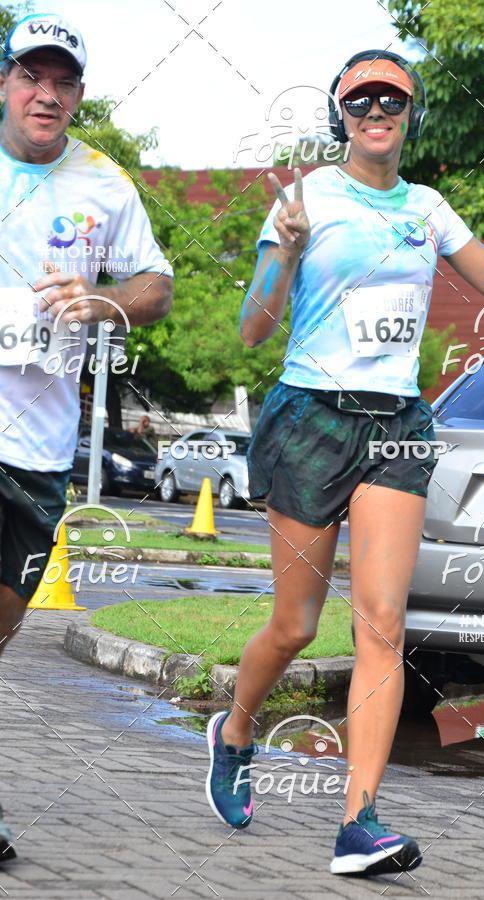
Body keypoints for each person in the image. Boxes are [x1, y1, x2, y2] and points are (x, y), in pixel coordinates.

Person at [205, 50, 484, 877]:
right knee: (295, 626)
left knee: (383, 630)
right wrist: (282, 252)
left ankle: (359, 823)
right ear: (340, 118)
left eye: (392, 99)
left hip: (395, 424)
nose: (377, 112)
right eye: (361, 102)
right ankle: (235, 730)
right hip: (309, 416)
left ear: (410, 114)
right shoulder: (306, 198)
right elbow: (252, 328)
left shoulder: (427, 207)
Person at [0, 13, 173, 862]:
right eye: (32, 76)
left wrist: (105, 302)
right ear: (5, 83)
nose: (47, 94)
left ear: (78, 95)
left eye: (63, 82)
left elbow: (157, 284)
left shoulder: (105, 183)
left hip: (38, 445)